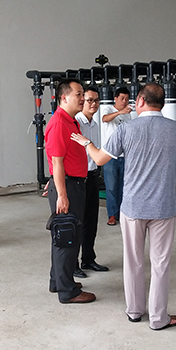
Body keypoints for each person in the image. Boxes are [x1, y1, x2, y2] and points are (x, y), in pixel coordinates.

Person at [71, 83, 176, 330]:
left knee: (133, 260)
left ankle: (134, 311)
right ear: (163, 103)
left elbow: (99, 159)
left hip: (133, 207)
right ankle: (158, 318)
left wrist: (86, 143)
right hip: (163, 207)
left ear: (141, 101)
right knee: (160, 264)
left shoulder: (127, 128)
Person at [44, 78, 96, 304]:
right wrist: (62, 194)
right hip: (68, 186)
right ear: (64, 97)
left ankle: (58, 281)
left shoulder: (70, 121)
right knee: (68, 237)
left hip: (73, 184)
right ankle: (68, 291)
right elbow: (57, 162)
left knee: (64, 235)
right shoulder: (59, 123)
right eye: (79, 94)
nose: (83, 98)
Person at [73, 86, 109, 279]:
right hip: (79, 178)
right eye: (89, 100)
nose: (93, 104)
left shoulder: (94, 124)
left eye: (96, 100)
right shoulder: (76, 123)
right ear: (82, 101)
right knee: (77, 222)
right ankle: (73, 264)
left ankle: (88, 258)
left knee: (91, 220)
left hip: (93, 175)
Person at [100, 87, 132, 226]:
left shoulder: (128, 115)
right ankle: (112, 215)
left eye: (127, 99)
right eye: (122, 98)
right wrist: (119, 112)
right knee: (112, 186)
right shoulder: (107, 109)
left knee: (125, 186)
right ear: (115, 98)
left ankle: (123, 213)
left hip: (125, 155)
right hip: (110, 155)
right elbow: (105, 119)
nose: (124, 101)